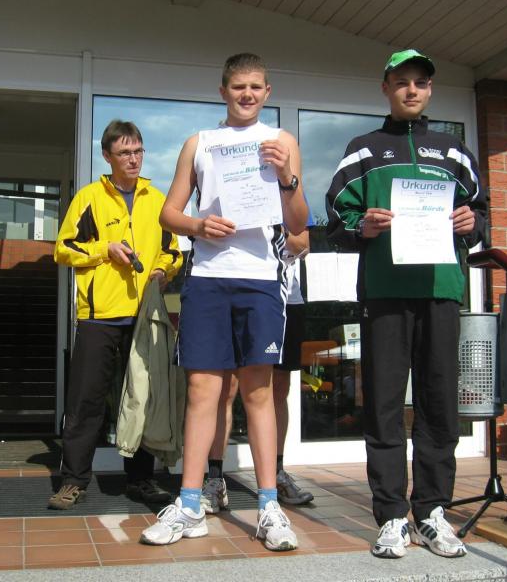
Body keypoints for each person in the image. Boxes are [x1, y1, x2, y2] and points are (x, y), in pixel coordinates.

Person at [141, 53, 308, 551]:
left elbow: (298, 222)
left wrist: (287, 177)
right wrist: (198, 225)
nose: (247, 94)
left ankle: (269, 506)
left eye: (256, 86)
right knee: (202, 390)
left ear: (267, 92)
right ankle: (190, 503)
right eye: (238, 86)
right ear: (223, 91)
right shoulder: (200, 143)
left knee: (258, 392)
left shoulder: (282, 142)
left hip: (260, 279)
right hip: (209, 278)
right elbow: (169, 213)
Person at [326, 49, 488, 559]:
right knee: (384, 404)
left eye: (420, 82)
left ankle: (433, 512)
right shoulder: (363, 151)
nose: (412, 90)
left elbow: (480, 214)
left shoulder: (455, 151)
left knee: (439, 404)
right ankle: (392, 515)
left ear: (430, 90)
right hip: (385, 293)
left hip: (441, 291)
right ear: (386, 88)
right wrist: (363, 226)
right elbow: (336, 222)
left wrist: (472, 224)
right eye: (402, 81)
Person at [49, 120, 183, 510]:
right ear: (107, 156)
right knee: (86, 403)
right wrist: (104, 249)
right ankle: (73, 481)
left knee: (141, 399)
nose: (133, 159)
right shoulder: (89, 197)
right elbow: (63, 249)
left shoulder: (157, 200)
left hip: (143, 317)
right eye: (125, 152)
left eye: (138, 151)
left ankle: (140, 480)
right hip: (99, 316)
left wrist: (163, 271)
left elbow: (172, 251)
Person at [201, 221, 315, 514]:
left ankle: (276, 473)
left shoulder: (288, 196)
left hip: (286, 296)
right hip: (235, 288)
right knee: (226, 388)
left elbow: (302, 244)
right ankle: (215, 478)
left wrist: (266, 230)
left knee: (278, 388)